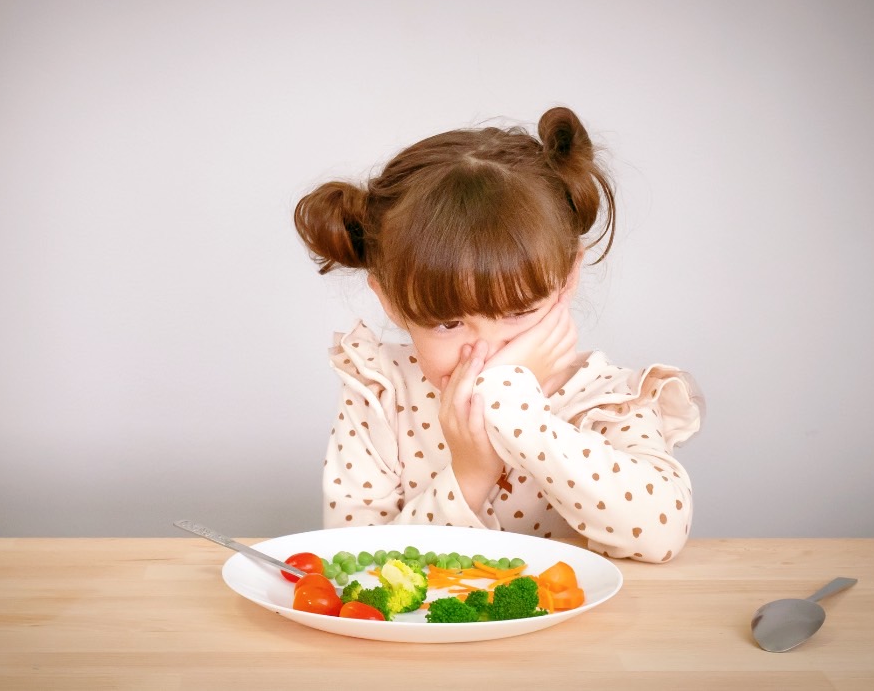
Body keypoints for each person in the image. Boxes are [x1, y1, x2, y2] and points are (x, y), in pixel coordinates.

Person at [293, 106, 704, 563]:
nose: (487, 354)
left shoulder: (605, 399)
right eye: (448, 323)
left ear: (567, 279)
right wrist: (470, 474)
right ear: (390, 302)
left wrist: (518, 412)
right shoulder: (380, 393)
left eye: (518, 314)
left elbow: (658, 533)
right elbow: (359, 565)